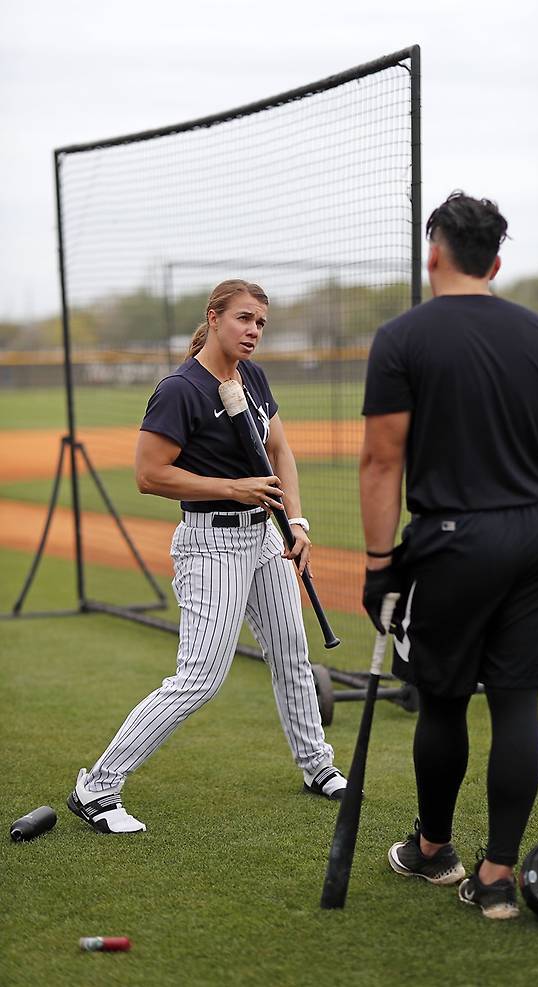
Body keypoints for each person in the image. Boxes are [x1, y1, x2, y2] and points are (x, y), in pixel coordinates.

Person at [359, 192, 538, 919]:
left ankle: (433, 848)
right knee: (518, 703)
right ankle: (495, 877)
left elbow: (381, 462)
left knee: (444, 697)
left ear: (435, 254)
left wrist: (377, 563)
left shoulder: (402, 338)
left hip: (455, 539)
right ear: (497, 261)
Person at [68, 278, 346, 834]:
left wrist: (296, 521)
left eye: (261, 323)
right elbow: (149, 475)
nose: (253, 331)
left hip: (264, 539)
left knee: (292, 654)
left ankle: (317, 765)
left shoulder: (254, 377)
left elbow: (279, 450)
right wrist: (234, 488)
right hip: (210, 543)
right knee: (200, 677)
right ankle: (95, 786)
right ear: (214, 317)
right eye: (244, 319)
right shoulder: (180, 389)